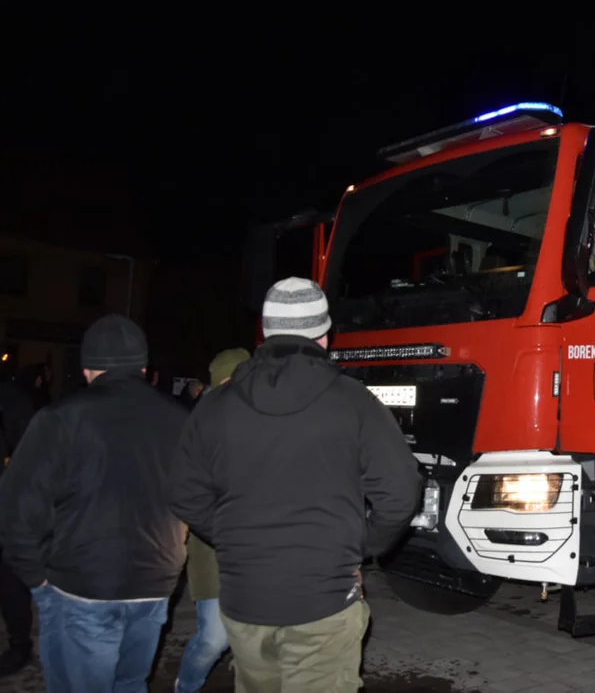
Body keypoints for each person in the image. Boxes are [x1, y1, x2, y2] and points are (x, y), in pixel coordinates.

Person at [170, 277, 422, 692]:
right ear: (324, 335)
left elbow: (183, 491)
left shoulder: (215, 404)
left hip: (243, 598)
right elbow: (399, 492)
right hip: (324, 600)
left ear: (266, 333)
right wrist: (363, 545)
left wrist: (231, 537)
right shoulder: (355, 401)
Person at [0, 314, 188, 691]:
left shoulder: (60, 418)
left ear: (87, 369)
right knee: (131, 683)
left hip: (83, 588)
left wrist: (36, 579)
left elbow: (16, 508)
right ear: (143, 367)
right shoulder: (182, 419)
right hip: (154, 583)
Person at [174, 348, 251, 693]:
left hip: (258, 547)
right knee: (214, 638)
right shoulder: (201, 423)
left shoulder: (264, 418)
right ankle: (185, 686)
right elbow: (186, 492)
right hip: (214, 546)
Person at [0, 378, 35, 676]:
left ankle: (20, 644)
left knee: (10, 577)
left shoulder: (12, 399)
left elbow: (28, 455)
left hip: (6, 503)